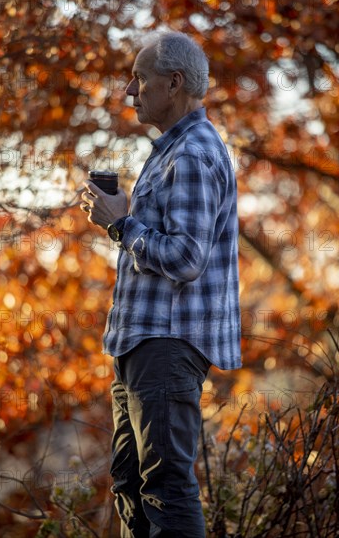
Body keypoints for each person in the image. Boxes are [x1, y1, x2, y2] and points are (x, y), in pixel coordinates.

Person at [80, 30, 241, 538]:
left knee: (165, 486)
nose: (130, 90)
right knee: (130, 483)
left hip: (166, 347)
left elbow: (187, 257)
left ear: (173, 84)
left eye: (140, 78)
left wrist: (121, 226)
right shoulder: (171, 150)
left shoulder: (192, 153)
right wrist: (121, 220)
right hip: (141, 345)